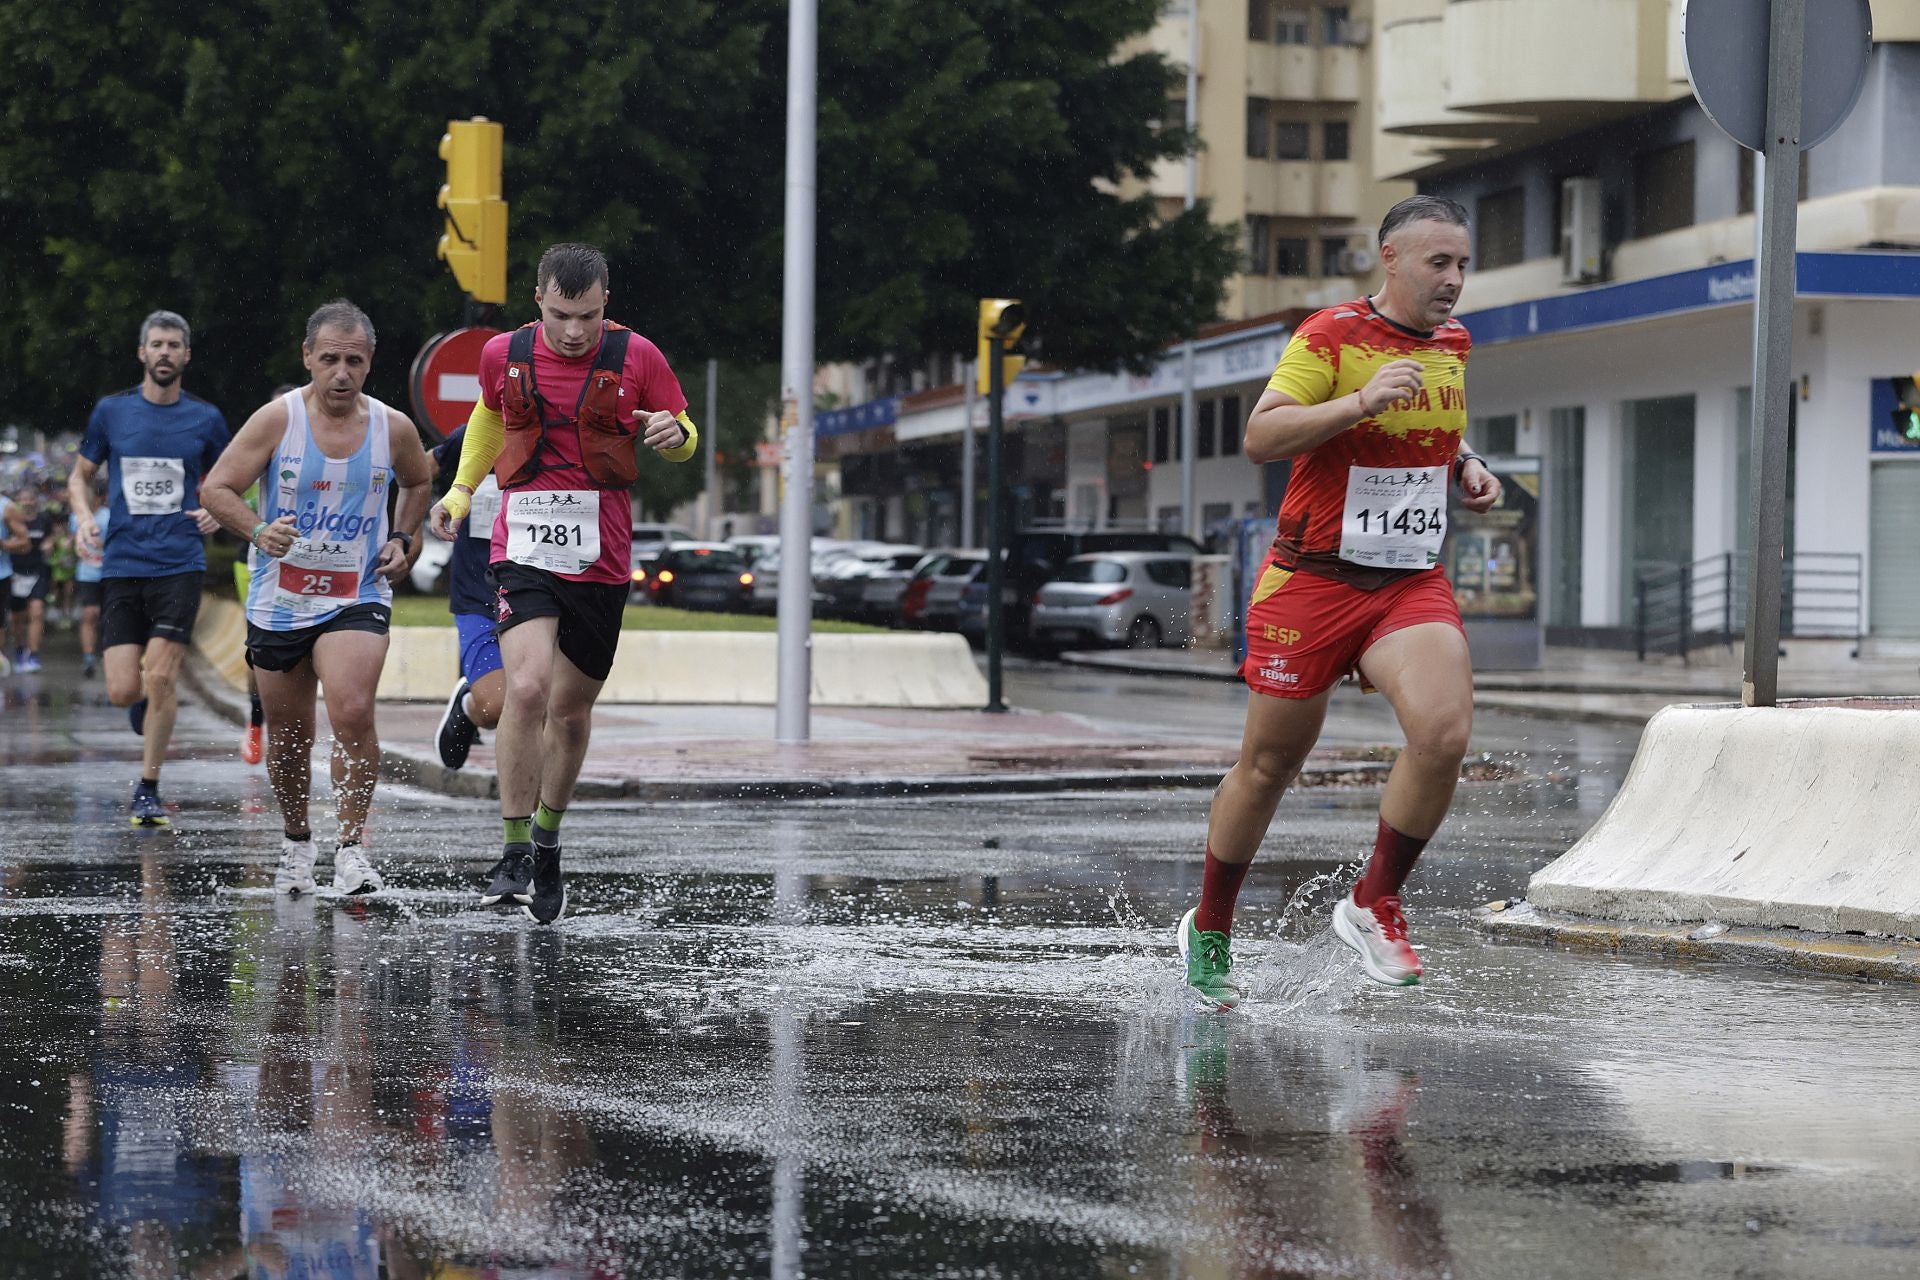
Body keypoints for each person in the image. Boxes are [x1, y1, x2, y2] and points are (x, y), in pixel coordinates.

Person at [1177, 195, 1503, 1005]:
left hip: (1405, 581)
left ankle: (1374, 900)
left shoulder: (1453, 344)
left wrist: (1463, 463)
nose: (1454, 280)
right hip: (1313, 580)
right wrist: (1358, 402)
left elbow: (1429, 419)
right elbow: (1262, 435)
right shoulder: (1329, 336)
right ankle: (1210, 926)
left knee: (1443, 732)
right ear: (1389, 258)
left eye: (1463, 264)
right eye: (1439, 262)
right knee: (1271, 765)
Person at [430, 243, 698, 924]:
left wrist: (678, 434)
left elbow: (684, 428)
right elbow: (490, 417)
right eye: (558, 315)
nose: (572, 331)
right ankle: (514, 846)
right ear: (538, 301)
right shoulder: (503, 355)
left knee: (571, 713)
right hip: (521, 542)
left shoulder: (640, 357)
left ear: (605, 301)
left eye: (584, 315)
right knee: (526, 689)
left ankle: (548, 840)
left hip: (600, 557)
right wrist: (462, 491)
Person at [201, 300, 431, 896]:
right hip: (280, 597)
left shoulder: (392, 427)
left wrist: (406, 538)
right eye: (329, 359)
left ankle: (352, 848)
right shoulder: (276, 421)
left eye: (354, 361)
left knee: (352, 710)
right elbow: (217, 487)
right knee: (288, 732)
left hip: (357, 592)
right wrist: (257, 529)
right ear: (307, 357)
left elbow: (418, 480)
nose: (341, 374)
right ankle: (297, 841)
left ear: (369, 362)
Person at [70, 310, 227, 825]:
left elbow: (234, 476)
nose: (164, 352)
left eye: (174, 345)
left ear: (186, 355)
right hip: (121, 563)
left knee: (160, 676)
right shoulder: (112, 413)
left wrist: (214, 506)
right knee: (124, 688)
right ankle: (141, 703)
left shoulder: (205, 419)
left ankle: (148, 786)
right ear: (142, 353)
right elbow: (81, 475)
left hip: (179, 561)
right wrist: (82, 518)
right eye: (156, 344)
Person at [428, 423, 506, 770]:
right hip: (480, 592)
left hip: (546, 590)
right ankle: (469, 706)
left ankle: (534, 816)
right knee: (495, 708)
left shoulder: (566, 433)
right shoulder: (475, 433)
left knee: (548, 706)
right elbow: (419, 471)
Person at [8, 485, 57, 672]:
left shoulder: (44, 519)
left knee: (36, 611)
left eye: (30, 499)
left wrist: (50, 542)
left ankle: (34, 655)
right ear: (17, 502)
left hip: (38, 571)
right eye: (23, 499)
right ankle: (20, 650)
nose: (27, 502)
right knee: (16, 617)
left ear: (35, 501)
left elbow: (53, 534)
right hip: (15, 572)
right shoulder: (12, 521)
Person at [71, 479, 108, 677]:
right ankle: (88, 657)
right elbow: (74, 540)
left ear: (99, 498)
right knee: (90, 613)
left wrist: (104, 543)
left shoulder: (109, 517)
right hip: (87, 574)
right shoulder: (75, 518)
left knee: (109, 616)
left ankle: (110, 653)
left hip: (110, 573)